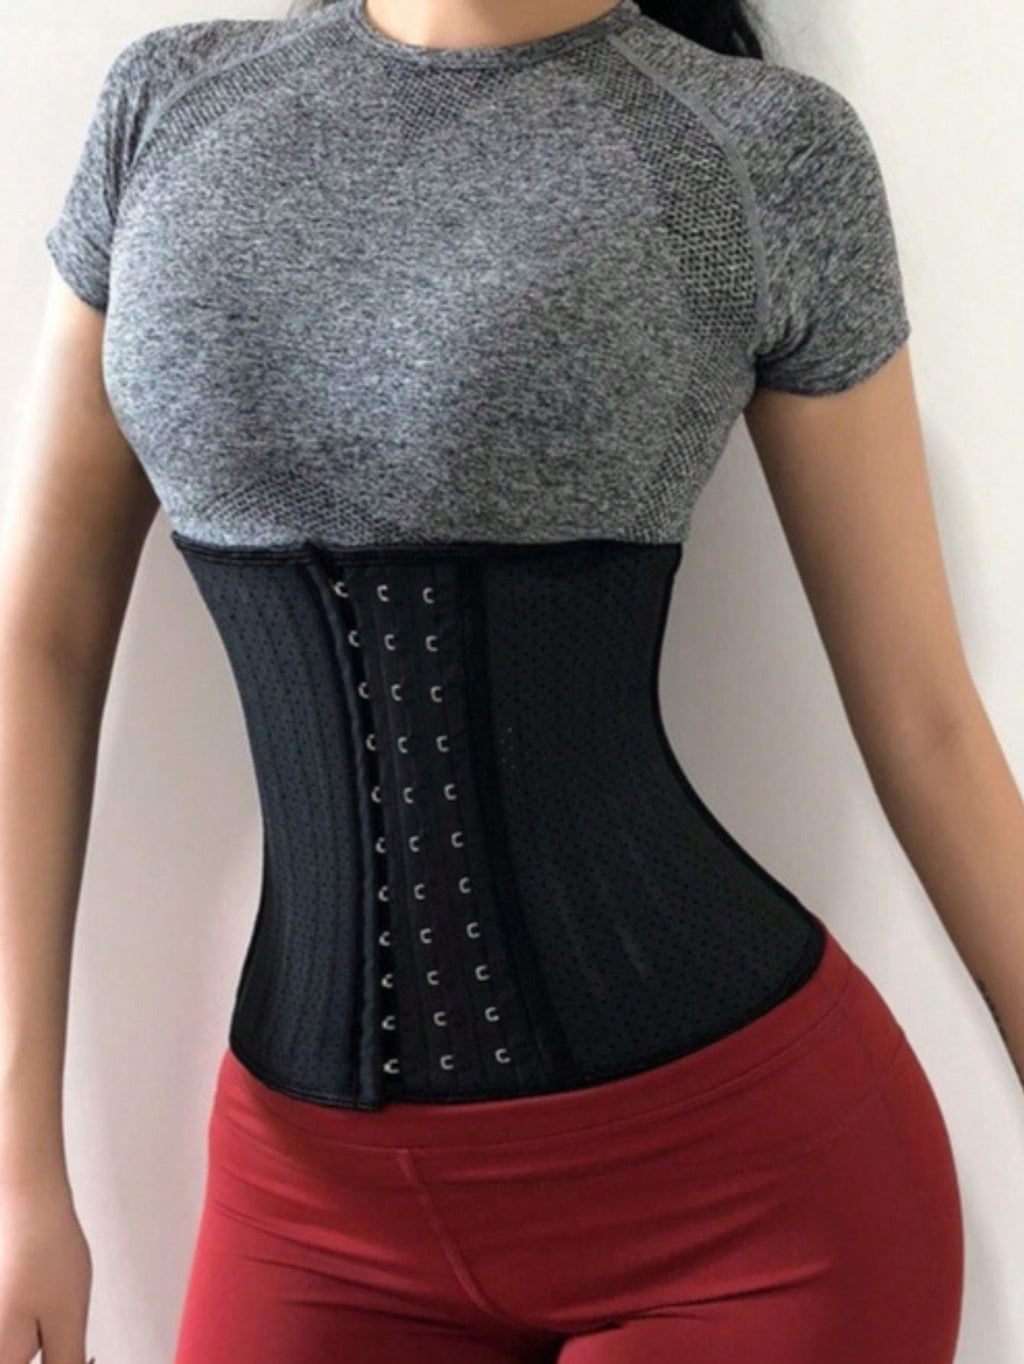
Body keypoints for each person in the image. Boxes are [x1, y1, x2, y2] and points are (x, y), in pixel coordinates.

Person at [9, 0, 1024, 1358]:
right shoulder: (171, 111)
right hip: (305, 1204)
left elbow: (928, 720)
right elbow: (41, 640)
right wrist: (15, 1166)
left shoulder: (749, 154)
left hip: (749, 1204)